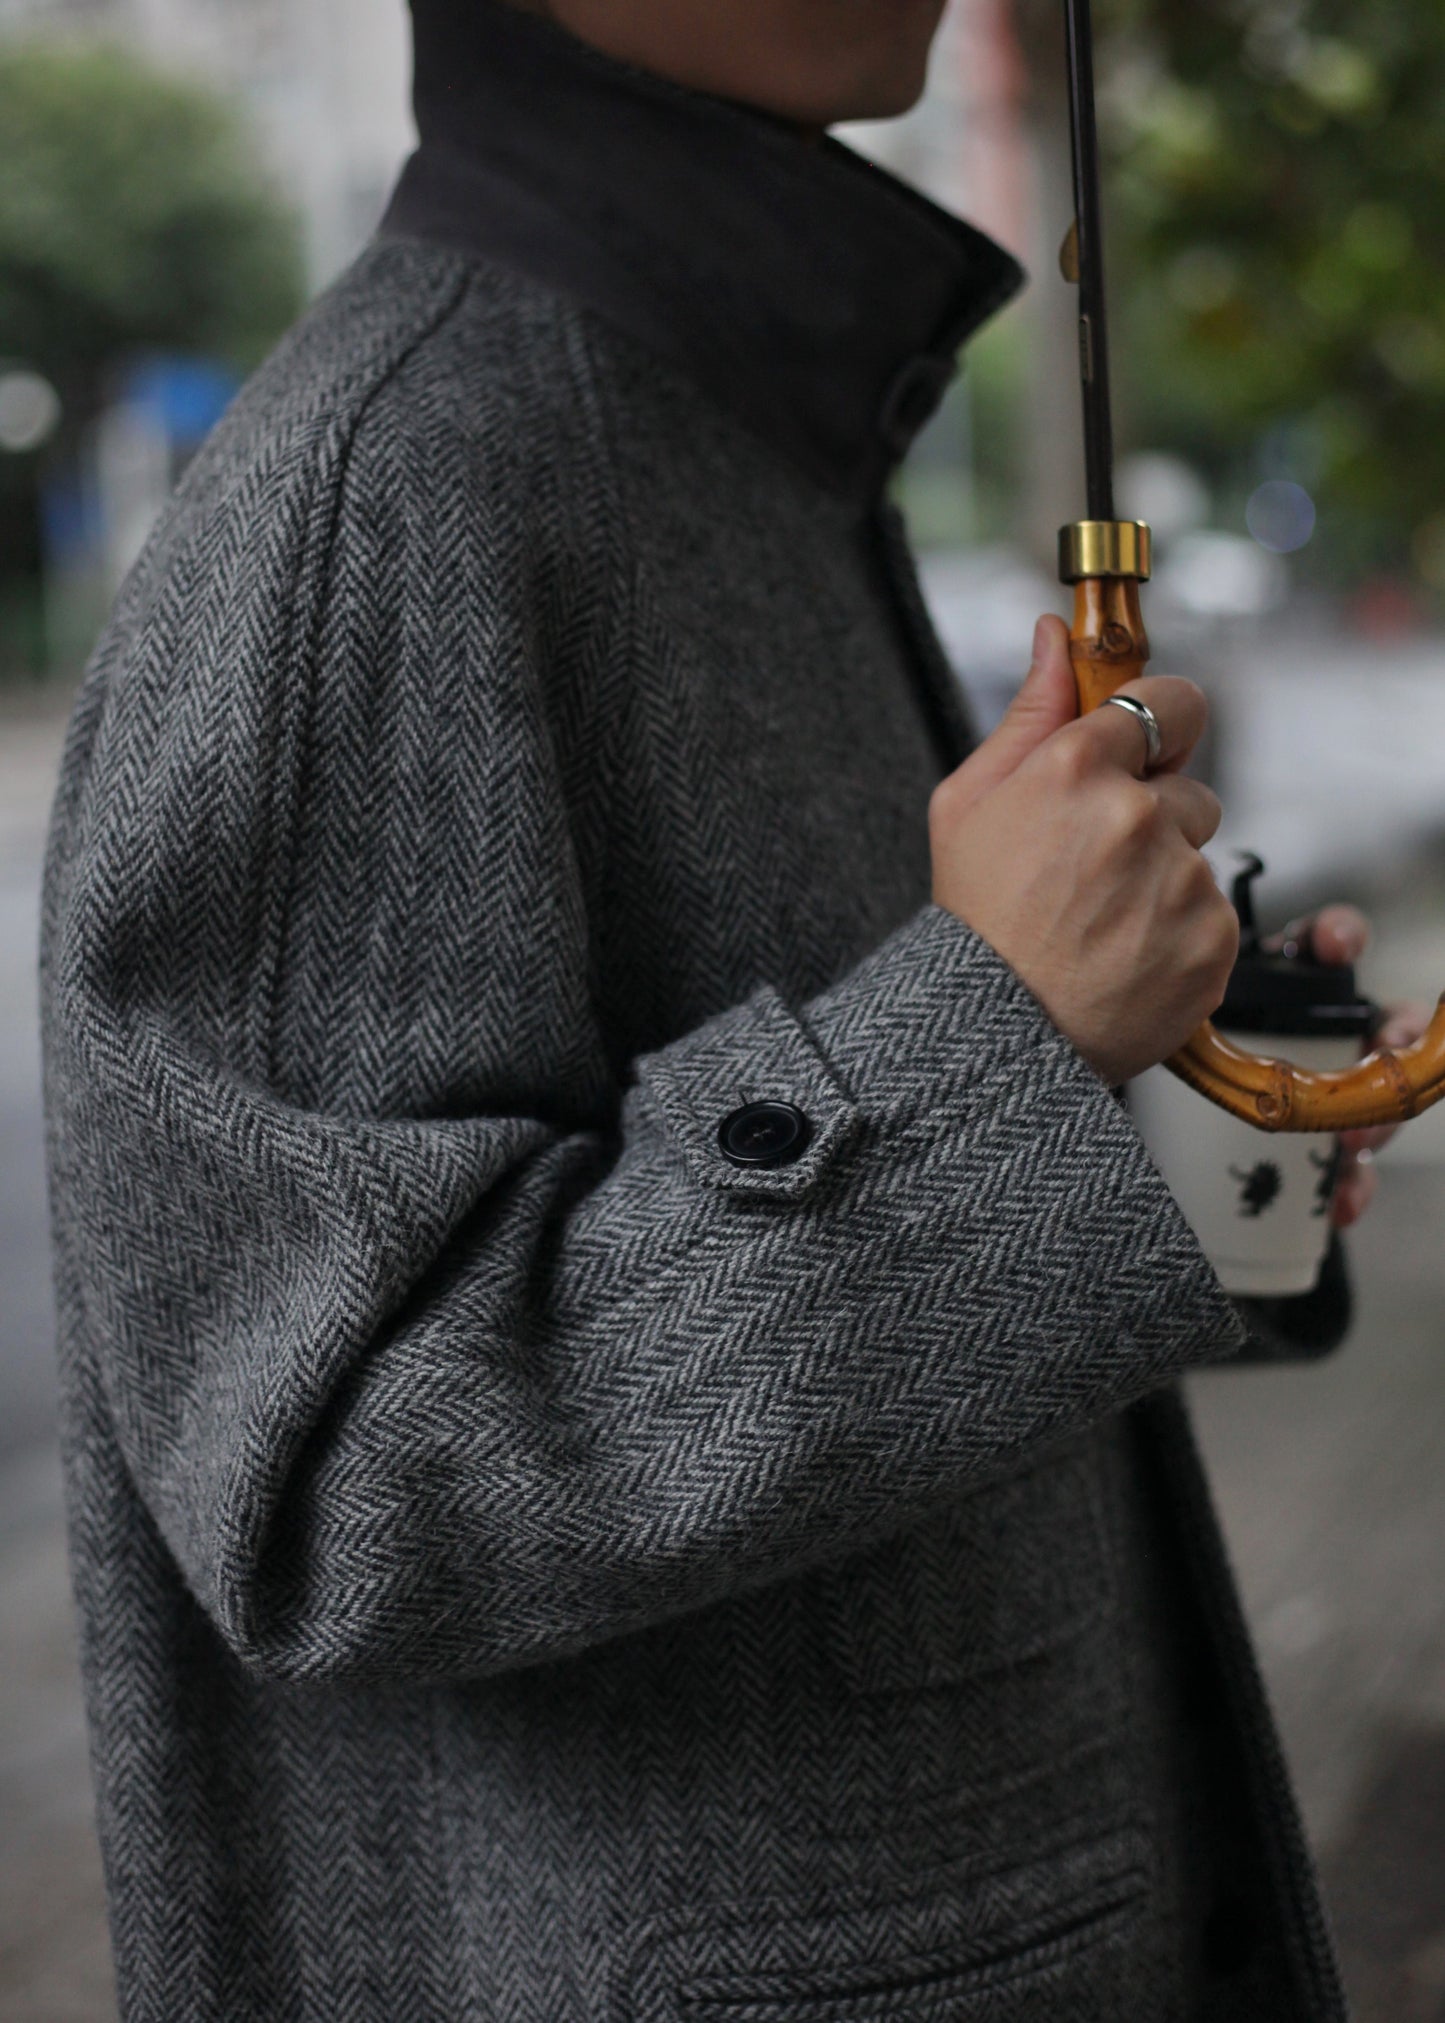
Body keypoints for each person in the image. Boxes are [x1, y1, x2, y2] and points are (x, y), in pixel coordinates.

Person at [38, 0, 1421, 2015]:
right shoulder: (388, 499)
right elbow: (332, 1478)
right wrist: (997, 1050)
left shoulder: (723, 420)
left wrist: (1171, 1112)